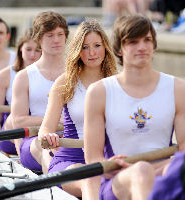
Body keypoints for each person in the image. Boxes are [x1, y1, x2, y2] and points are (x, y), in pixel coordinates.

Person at [83, 14, 185, 199]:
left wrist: (155, 169)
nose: (142, 47)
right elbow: (93, 159)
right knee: (141, 172)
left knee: (150, 171)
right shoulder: (99, 92)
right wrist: (107, 167)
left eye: (147, 40)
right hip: (118, 181)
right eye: (133, 42)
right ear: (119, 49)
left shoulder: (179, 89)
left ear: (154, 45)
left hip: (164, 173)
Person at [38, 19, 117, 197]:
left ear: (105, 47)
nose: (92, 53)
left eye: (97, 45)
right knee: (90, 178)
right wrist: (48, 137)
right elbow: (45, 128)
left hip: (107, 160)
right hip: (70, 161)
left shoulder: (117, 82)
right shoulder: (65, 83)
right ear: (77, 51)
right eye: (85, 47)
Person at [10, 11, 68, 172]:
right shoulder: (24, 77)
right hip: (34, 142)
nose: (56, 40)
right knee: (47, 148)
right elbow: (18, 121)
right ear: (39, 39)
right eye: (50, 35)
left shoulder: (77, 72)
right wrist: (55, 122)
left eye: (60, 34)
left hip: (70, 139)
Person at [0, 29, 41, 155]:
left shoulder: (50, 75)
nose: (32, 55)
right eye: (28, 49)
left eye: (37, 50)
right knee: (15, 118)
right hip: (11, 134)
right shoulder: (4, 76)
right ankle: (23, 159)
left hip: (41, 130)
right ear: (20, 49)